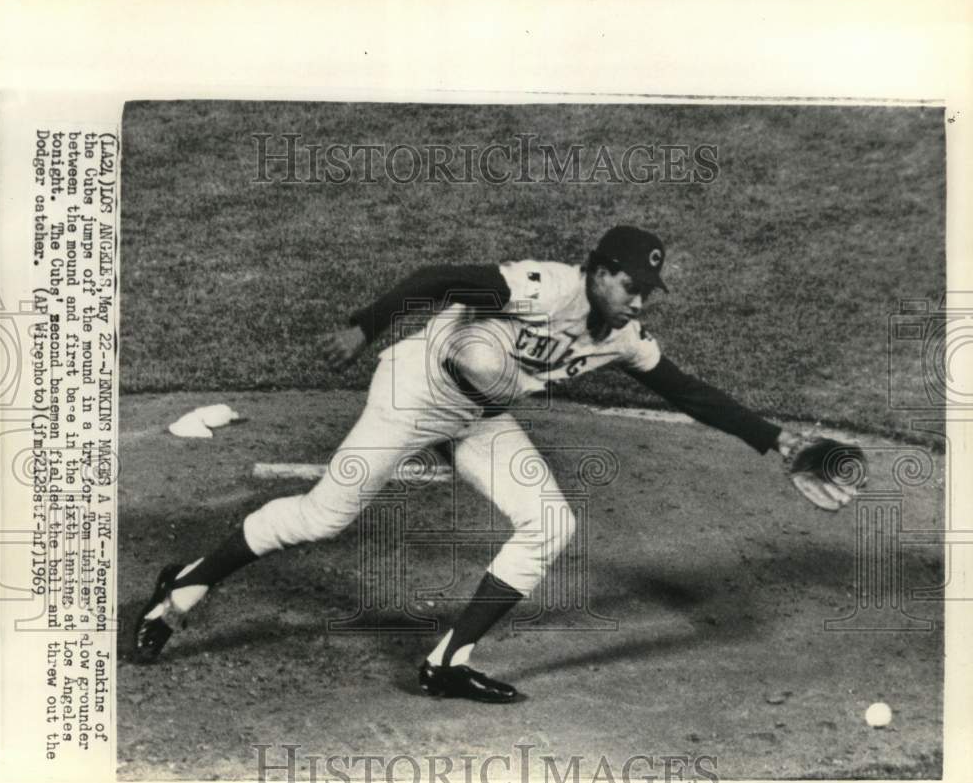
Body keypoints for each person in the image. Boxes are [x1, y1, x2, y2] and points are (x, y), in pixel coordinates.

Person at [133, 225, 855, 703]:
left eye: (646, 292)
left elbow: (687, 391)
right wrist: (366, 324)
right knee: (325, 515)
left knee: (550, 522)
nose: (637, 301)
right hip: (415, 391)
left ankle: (446, 662)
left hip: (477, 417)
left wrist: (777, 441)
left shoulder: (622, 337)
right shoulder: (543, 288)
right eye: (629, 285)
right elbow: (439, 278)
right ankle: (186, 587)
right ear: (598, 271)